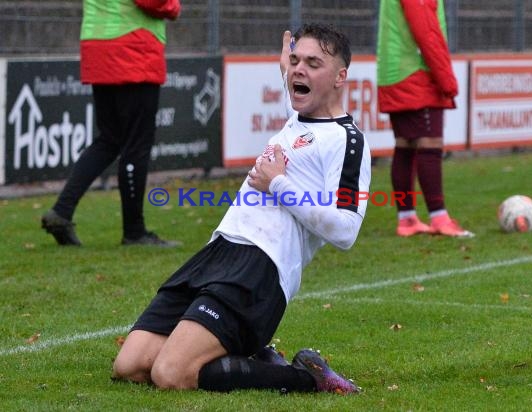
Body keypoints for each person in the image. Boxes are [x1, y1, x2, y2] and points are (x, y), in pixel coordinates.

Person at [111, 23, 371, 394]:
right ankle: (250, 356)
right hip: (219, 251)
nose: (299, 69)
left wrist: (278, 184)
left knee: (171, 375)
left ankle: (306, 378)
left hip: (261, 268)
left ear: (340, 77)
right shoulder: (298, 117)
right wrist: (289, 62)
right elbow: (292, 81)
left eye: (314, 63)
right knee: (130, 365)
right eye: (296, 60)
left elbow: (346, 231)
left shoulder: (347, 140)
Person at [41, 0, 181, 247]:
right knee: (136, 144)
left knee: (110, 139)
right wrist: (173, 6)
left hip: (98, 48)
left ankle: (61, 212)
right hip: (133, 49)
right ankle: (135, 232)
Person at [376, 0, 474, 238]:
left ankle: (407, 218)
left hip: (392, 72)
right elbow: (426, 32)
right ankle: (440, 218)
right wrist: (447, 81)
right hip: (415, 73)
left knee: (405, 146)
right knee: (429, 145)